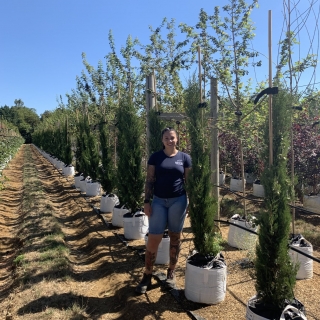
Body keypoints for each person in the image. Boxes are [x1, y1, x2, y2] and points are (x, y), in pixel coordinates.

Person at [135, 127, 191, 294]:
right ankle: (147, 275)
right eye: (166, 137)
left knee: (175, 237)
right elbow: (150, 180)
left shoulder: (185, 158)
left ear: (177, 139)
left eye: (172, 137)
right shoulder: (155, 157)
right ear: (162, 140)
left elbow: (189, 182)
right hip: (158, 201)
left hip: (178, 201)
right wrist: (146, 201)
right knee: (154, 238)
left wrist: (192, 204)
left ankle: (171, 273)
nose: (169, 140)